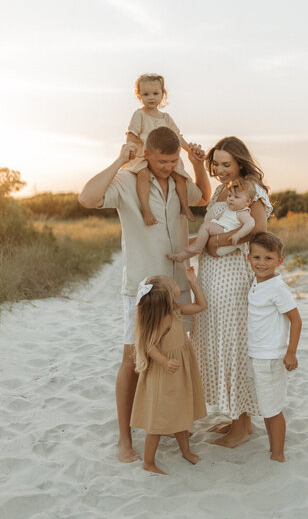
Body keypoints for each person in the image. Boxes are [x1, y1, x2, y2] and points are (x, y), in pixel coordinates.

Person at [78, 126, 210, 463]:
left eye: (172, 160)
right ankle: (125, 439)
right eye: (162, 160)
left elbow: (204, 198)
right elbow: (87, 198)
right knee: (133, 360)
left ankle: (170, 422)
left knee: (174, 355)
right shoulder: (126, 180)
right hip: (142, 288)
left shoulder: (179, 179)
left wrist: (195, 165)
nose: (167, 166)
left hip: (177, 283)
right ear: (147, 153)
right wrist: (119, 159)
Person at [191, 136, 273, 448]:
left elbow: (260, 232)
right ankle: (239, 421)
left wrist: (217, 243)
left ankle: (242, 427)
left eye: (227, 164)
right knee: (223, 347)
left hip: (234, 283)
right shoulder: (223, 192)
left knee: (236, 349)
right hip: (214, 280)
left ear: (240, 162)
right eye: (217, 164)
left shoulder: (252, 190)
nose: (221, 169)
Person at [131, 268, 207, 475]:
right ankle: (148, 462)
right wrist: (165, 361)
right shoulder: (162, 319)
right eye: (172, 284)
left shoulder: (175, 310)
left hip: (179, 372)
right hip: (165, 375)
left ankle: (186, 451)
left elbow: (202, 305)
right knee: (159, 420)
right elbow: (149, 345)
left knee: (180, 412)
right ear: (165, 296)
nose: (176, 284)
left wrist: (193, 283)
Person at [247, 231, 302, 462]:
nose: (261, 263)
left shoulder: (278, 288)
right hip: (257, 354)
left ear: (279, 261)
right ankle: (273, 448)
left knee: (273, 409)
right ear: (249, 258)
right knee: (266, 407)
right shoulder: (258, 282)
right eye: (257, 257)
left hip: (271, 357)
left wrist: (291, 353)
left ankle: (278, 455)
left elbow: (296, 319)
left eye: (268, 258)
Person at [126, 73, 201, 225]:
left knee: (179, 176)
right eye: (146, 94)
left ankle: (185, 207)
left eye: (155, 93)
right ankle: (146, 210)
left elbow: (177, 137)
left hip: (165, 157)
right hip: (144, 155)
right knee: (142, 174)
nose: (151, 97)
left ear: (163, 95)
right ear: (139, 96)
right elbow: (132, 134)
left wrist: (189, 150)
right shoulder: (139, 114)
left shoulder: (166, 118)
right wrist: (129, 149)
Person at [166, 177, 255, 263]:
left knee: (206, 227)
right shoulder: (230, 209)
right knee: (200, 240)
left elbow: (250, 223)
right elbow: (221, 216)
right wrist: (215, 219)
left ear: (247, 201)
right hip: (222, 232)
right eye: (229, 195)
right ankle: (181, 257)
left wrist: (238, 235)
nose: (231, 199)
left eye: (236, 197)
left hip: (226, 232)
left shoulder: (243, 212)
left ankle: (198, 248)